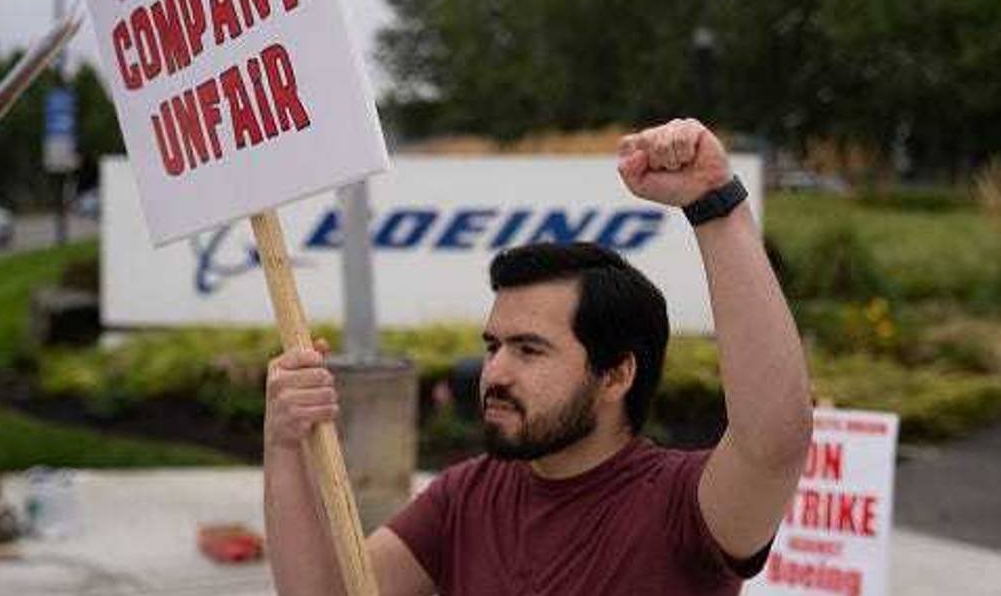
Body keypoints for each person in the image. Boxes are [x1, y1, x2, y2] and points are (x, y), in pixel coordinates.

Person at [263, 119, 812, 595]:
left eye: (530, 350)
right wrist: (285, 441)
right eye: (493, 346)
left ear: (616, 374)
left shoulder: (683, 508)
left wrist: (716, 205)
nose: (494, 373)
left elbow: (773, 441)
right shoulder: (465, 497)